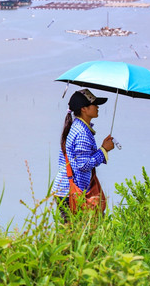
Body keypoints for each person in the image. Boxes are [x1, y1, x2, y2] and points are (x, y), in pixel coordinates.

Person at [51, 88, 115, 219]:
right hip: (70, 192)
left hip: (67, 190)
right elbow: (83, 164)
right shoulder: (82, 133)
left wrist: (103, 149)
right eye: (94, 104)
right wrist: (104, 150)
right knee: (79, 231)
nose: (97, 107)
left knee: (74, 231)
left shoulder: (78, 127)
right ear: (84, 109)